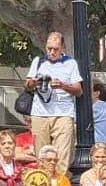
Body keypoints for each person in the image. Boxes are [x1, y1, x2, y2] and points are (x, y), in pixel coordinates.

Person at [23, 31, 84, 163]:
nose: (51, 52)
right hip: (40, 112)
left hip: (63, 113)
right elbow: (27, 85)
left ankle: (59, 181)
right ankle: (44, 181)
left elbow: (78, 91)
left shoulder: (71, 63)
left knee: (62, 155)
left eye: (55, 49)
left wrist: (63, 86)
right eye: (49, 48)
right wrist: (32, 83)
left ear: (62, 48)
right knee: (41, 155)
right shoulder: (38, 61)